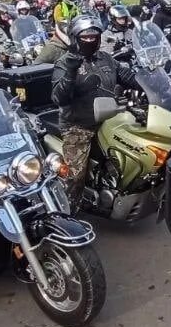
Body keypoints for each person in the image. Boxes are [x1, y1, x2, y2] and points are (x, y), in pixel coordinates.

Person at [50, 16, 140, 207]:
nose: (91, 40)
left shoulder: (106, 59)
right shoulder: (65, 63)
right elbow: (59, 98)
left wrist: (151, 80)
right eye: (86, 37)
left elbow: (127, 76)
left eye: (94, 36)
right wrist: (71, 73)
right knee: (75, 175)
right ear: (75, 38)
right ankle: (67, 209)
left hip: (110, 120)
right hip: (78, 126)